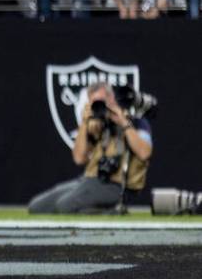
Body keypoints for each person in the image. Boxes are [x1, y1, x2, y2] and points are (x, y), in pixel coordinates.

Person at [29, 81, 153, 214]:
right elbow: (79, 158)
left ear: (111, 98)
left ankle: (114, 211)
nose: (99, 106)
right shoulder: (96, 124)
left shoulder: (135, 122)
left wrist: (123, 122)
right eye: (93, 102)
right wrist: (84, 123)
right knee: (36, 207)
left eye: (101, 101)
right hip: (89, 180)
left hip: (116, 185)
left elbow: (145, 153)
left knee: (64, 205)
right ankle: (106, 210)